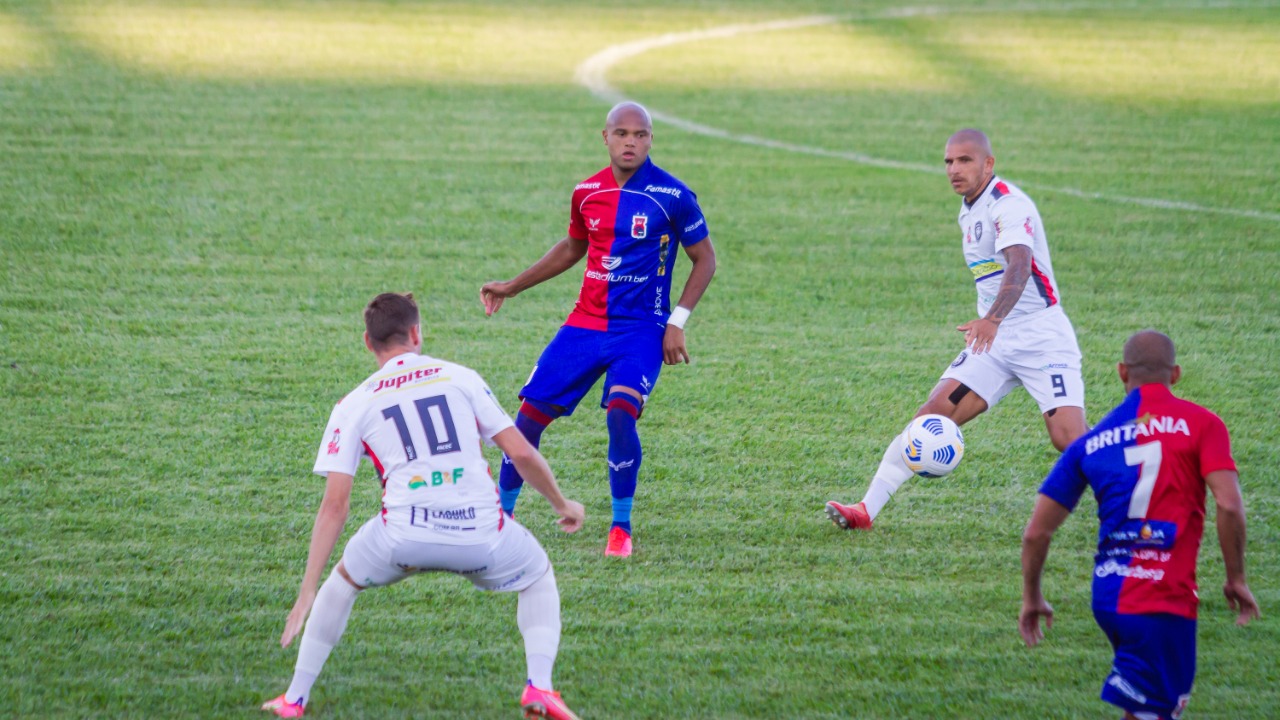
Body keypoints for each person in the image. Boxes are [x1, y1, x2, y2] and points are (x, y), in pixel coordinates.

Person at [261, 293, 586, 720]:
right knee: (538, 575)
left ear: (367, 342)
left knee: (341, 583)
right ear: (416, 334)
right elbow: (521, 454)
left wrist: (307, 590)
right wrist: (563, 503)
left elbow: (334, 507)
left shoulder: (353, 403)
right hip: (481, 535)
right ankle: (539, 687)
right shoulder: (460, 377)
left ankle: (294, 699)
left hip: (401, 538)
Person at [480, 101, 716, 558]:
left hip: (640, 330)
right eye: (622, 133)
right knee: (526, 419)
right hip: (584, 326)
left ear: (651, 140)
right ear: (604, 137)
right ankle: (500, 518)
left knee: (620, 413)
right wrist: (512, 287)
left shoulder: (674, 196)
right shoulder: (586, 192)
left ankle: (621, 528)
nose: (631, 141)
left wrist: (676, 322)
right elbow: (572, 248)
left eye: (640, 134)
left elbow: (704, 258)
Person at [827, 128, 1087, 531]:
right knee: (929, 416)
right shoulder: (969, 208)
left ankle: (1137, 499)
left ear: (988, 163)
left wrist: (992, 319)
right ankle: (865, 511)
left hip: (1041, 337)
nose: (954, 169)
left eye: (965, 160)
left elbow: (1019, 264)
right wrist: (992, 324)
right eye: (948, 161)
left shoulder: (1008, 206)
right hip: (993, 344)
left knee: (1068, 438)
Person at [1019, 330, 1259, 720]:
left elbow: (1036, 532)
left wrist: (1032, 596)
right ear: (1176, 374)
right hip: (1161, 600)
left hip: (1109, 598)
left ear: (1120, 373)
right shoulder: (1203, 425)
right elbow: (1229, 506)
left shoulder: (1089, 443)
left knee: (1145, 708)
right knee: (1159, 711)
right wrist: (1236, 578)